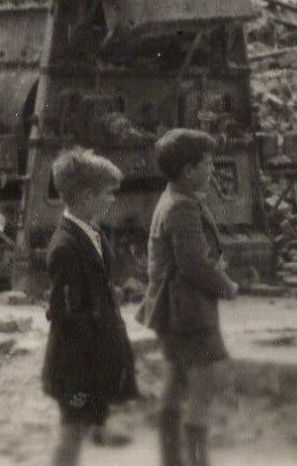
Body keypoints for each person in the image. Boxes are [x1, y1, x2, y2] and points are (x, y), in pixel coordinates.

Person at [138, 129, 238, 466]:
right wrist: (226, 284)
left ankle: (171, 460)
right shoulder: (182, 208)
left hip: (170, 311)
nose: (211, 171)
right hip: (189, 312)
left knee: (174, 386)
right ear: (186, 170)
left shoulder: (171, 199)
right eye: (206, 165)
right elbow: (193, 264)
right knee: (201, 390)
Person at [42, 148, 138, 466]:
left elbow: (92, 285)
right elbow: (67, 313)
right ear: (86, 195)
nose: (112, 200)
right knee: (72, 426)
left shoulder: (91, 232)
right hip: (76, 368)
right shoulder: (66, 247)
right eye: (108, 194)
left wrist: (111, 295)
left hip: (91, 364)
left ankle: (101, 428)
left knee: (82, 422)